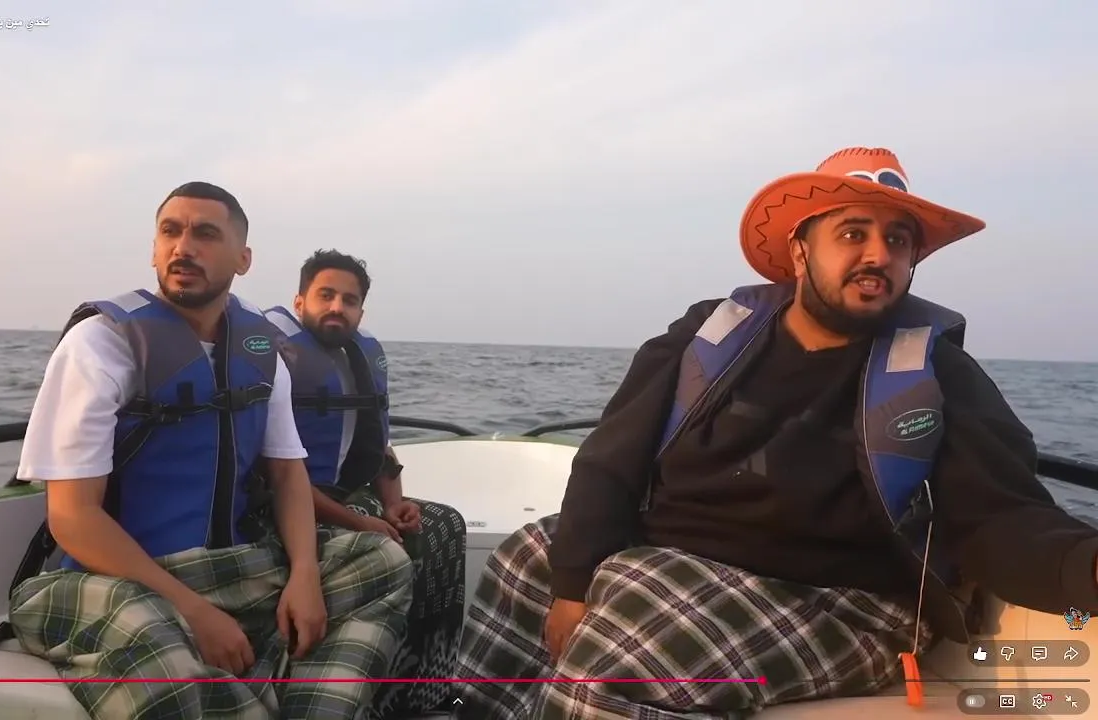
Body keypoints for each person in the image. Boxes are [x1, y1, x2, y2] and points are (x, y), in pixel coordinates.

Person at [455, 147, 1098, 719]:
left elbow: (1001, 515)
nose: (879, 255)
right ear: (799, 251)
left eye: (899, 241)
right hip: (681, 561)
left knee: (626, 639)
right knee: (530, 555)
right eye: (853, 233)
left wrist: (1081, 567)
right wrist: (572, 586)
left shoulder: (939, 373)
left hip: (845, 603)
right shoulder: (710, 334)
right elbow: (611, 459)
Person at [4, 183, 413, 720]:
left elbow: (288, 478)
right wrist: (195, 613)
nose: (183, 247)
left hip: (227, 566)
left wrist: (305, 576)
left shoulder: (260, 350)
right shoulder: (101, 344)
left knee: (382, 561)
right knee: (160, 653)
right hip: (114, 578)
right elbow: (72, 517)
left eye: (205, 234)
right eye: (170, 232)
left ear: (243, 259)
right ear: (154, 250)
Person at [263, 249, 468, 720]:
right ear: (300, 301)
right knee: (390, 546)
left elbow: (378, 444)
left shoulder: (361, 355)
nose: (337, 307)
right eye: (326, 295)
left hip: (353, 496)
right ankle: (367, 697)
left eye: (349, 300)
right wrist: (363, 522)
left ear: (360, 311)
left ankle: (424, 687)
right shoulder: (274, 359)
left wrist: (395, 504)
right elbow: (277, 476)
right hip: (293, 502)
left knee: (444, 525)